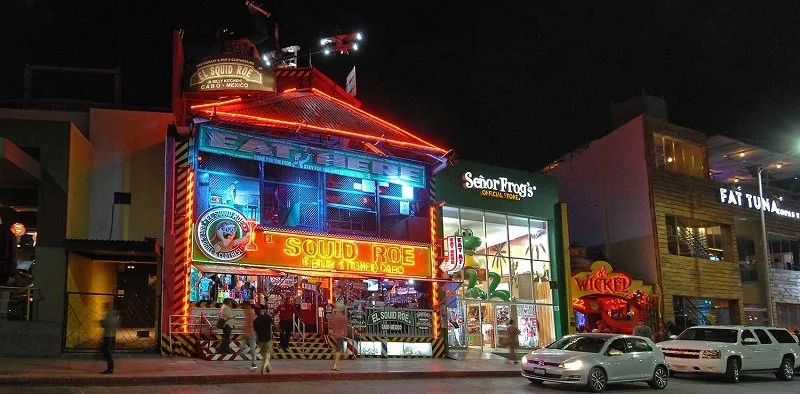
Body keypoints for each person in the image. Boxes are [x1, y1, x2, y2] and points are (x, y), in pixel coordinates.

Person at [100, 301, 120, 374]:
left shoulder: (109, 314)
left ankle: (110, 368)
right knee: (106, 351)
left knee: (107, 352)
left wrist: (102, 322)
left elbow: (106, 324)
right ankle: (110, 367)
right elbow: (116, 323)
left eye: (105, 306)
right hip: (111, 334)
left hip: (108, 335)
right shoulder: (114, 314)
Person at [253, 306, 274, 374]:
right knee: (268, 353)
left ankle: (267, 366)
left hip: (261, 339)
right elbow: (272, 323)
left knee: (264, 353)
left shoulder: (255, 320)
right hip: (268, 338)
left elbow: (255, 330)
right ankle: (264, 366)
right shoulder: (267, 317)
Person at [328, 303, 347, 371]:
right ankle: (335, 365)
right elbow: (345, 326)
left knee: (337, 350)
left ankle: (334, 364)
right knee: (339, 350)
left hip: (334, 334)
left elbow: (331, 325)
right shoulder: (342, 317)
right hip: (340, 335)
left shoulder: (334, 316)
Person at [244, 303, 258, 369]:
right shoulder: (249, 313)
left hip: (251, 333)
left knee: (252, 349)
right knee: (243, 346)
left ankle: (254, 363)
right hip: (248, 333)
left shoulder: (251, 314)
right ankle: (253, 362)